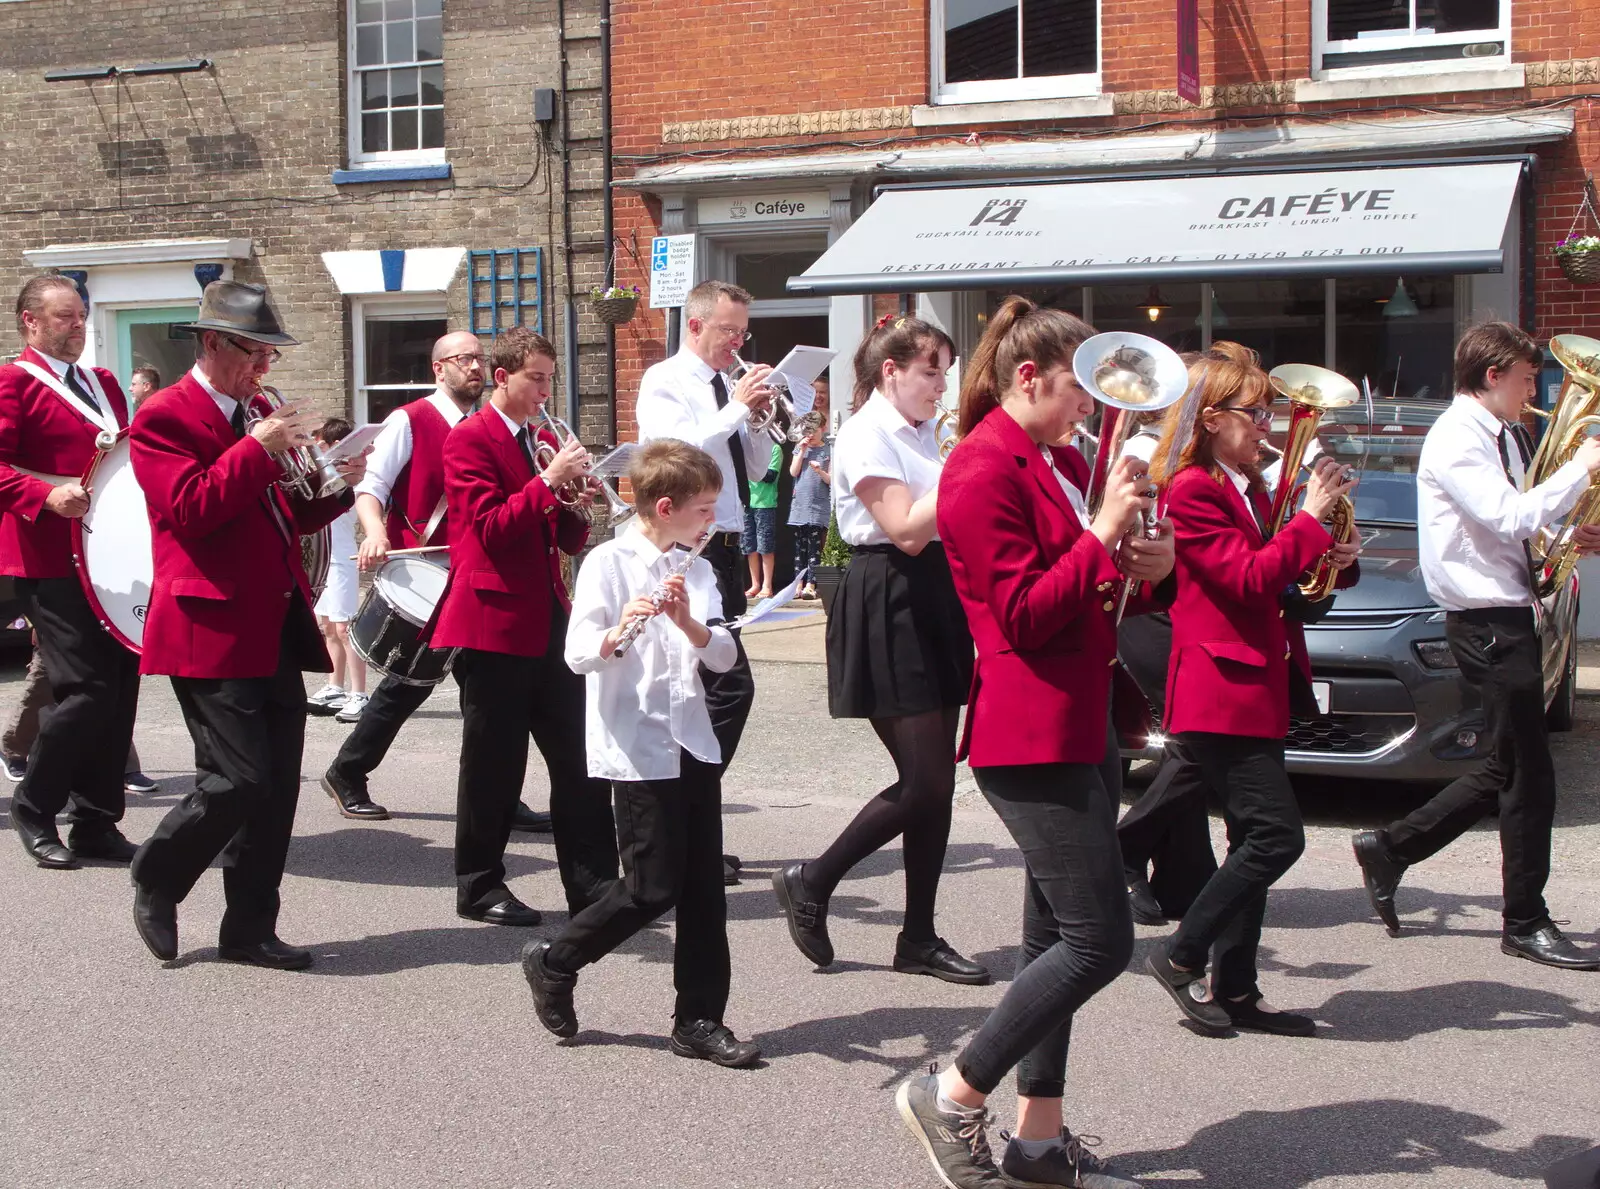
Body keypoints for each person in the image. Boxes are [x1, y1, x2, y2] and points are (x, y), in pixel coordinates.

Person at [898, 296, 1173, 1189]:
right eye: (1079, 390)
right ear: (1028, 377)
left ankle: (1039, 1140)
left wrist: (1145, 564)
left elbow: (1088, 593)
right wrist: (1099, 535)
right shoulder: (979, 469)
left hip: (1080, 710)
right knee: (1102, 939)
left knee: (1055, 933)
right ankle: (951, 1091)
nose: (1092, 409)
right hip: (1029, 726)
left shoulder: (1057, 462)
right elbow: (1018, 614)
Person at [128, 280, 364, 970]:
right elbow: (191, 509)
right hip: (207, 623)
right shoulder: (164, 415)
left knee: (277, 783)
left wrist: (336, 483)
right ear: (211, 343)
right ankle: (157, 873)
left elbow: (285, 513)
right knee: (239, 778)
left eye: (270, 356)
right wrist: (257, 449)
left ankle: (249, 926)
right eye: (254, 354)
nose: (264, 370)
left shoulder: (255, 410)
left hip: (272, 617)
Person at [1352, 321, 1600, 970]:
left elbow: (1518, 527)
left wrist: (1574, 530)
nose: (1534, 392)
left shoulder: (1503, 435)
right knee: (1530, 778)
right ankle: (1525, 919)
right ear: (1493, 376)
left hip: (1506, 615)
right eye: (1526, 379)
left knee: (1505, 766)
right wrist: (1581, 465)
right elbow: (1509, 516)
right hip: (1486, 622)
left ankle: (1391, 846)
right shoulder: (1461, 438)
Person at [1143, 341, 1359, 1038]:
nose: (1267, 423)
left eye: (1268, 410)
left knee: (1249, 838)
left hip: (1254, 682)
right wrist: (1310, 518)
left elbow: (1289, 581)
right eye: (1253, 411)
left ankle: (1236, 987)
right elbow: (1244, 577)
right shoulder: (1191, 489)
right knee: (1276, 836)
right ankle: (1180, 955)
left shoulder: (1252, 486)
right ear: (1209, 418)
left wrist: (1334, 551)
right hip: (1216, 687)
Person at [521, 439, 760, 1068]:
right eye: (704, 509)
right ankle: (555, 959)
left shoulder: (699, 569)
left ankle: (699, 1019)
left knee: (705, 887)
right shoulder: (608, 563)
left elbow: (725, 658)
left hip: (690, 738)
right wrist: (618, 630)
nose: (712, 520)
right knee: (653, 887)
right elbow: (577, 656)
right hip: (636, 742)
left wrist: (687, 622)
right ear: (664, 506)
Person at [772, 315, 987, 986]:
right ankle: (813, 878)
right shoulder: (868, 431)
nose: (940, 387)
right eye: (930, 372)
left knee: (937, 785)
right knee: (924, 779)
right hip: (888, 589)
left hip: (933, 592)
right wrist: (969, 473)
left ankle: (918, 933)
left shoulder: (926, 433)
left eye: (945, 373)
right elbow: (903, 528)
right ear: (891, 370)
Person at [320, 330, 552, 832]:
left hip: (479, 576)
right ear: (437, 369)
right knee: (409, 683)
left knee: (489, 701)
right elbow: (371, 486)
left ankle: (498, 797)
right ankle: (347, 771)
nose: (472, 366)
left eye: (477, 358)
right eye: (461, 358)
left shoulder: (502, 427)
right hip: (431, 573)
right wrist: (376, 532)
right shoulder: (411, 419)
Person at [430, 326, 619, 925]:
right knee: (493, 766)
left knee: (579, 759)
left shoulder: (538, 438)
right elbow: (485, 529)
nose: (544, 391)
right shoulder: (469, 440)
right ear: (503, 377)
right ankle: (479, 885)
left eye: (549, 379)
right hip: (491, 622)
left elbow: (562, 538)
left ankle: (594, 887)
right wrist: (547, 483)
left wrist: (576, 503)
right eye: (535, 379)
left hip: (547, 619)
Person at [0, 274, 141, 870]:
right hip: (45, 557)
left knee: (121, 689)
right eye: (64, 317)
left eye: (81, 316)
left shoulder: (104, 382)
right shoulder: (12, 381)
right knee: (87, 689)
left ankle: (96, 821)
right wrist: (42, 492)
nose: (78, 327)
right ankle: (34, 806)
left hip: (109, 554)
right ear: (31, 321)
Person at [636, 279, 774, 885]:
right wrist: (738, 408)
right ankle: (673, 826)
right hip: (684, 547)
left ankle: (684, 830)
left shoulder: (726, 391)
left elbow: (754, 469)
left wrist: (761, 422)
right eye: (728, 331)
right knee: (722, 688)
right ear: (695, 326)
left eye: (743, 332)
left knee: (708, 692)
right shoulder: (665, 380)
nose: (737, 343)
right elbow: (675, 454)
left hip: (722, 544)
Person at [1, 633, 155, 792]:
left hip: (106, 624)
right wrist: (37, 623)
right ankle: (13, 749)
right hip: (58, 624)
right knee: (42, 687)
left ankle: (121, 766)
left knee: (110, 692)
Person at [305, 417, 369, 723]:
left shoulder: (352, 476)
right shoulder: (321, 471)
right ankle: (335, 687)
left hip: (343, 558)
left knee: (345, 629)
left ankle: (360, 693)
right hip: (324, 559)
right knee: (328, 627)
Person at [788, 377, 832, 598]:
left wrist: (820, 471)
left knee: (816, 549)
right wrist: (802, 451)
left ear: (822, 429)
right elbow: (793, 472)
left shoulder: (827, 450)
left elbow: (830, 479)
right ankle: (798, 583)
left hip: (818, 507)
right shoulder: (800, 448)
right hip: (800, 507)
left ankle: (812, 585)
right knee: (799, 549)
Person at [743, 438, 781, 601]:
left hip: (765, 503)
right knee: (749, 546)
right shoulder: (746, 448)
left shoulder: (775, 448)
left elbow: (771, 476)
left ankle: (767, 585)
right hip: (746, 501)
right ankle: (755, 584)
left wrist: (752, 464)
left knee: (765, 546)